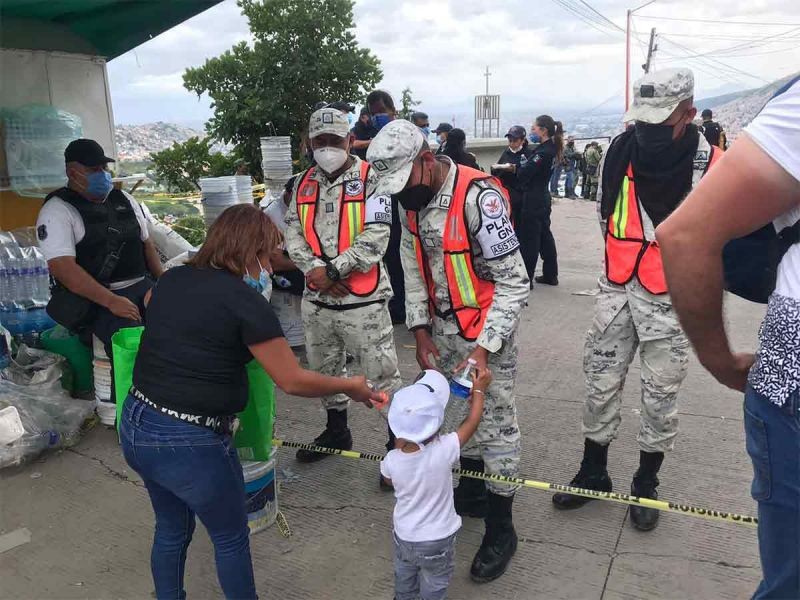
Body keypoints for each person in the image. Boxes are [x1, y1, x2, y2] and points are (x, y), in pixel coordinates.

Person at [120, 204, 384, 600]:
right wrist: (349, 385)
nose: (272, 266)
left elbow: (153, 304)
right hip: (191, 442)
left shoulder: (173, 279)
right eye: (269, 254)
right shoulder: (245, 303)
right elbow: (291, 379)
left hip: (137, 423)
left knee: (172, 528)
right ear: (250, 251)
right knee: (230, 538)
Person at [550, 68, 722, 532]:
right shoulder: (617, 151)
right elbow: (605, 215)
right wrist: (618, 268)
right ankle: (593, 472)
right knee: (599, 384)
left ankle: (646, 484)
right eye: (641, 121)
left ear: (688, 113)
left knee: (659, 395)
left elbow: (720, 241)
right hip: (615, 290)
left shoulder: (711, 165)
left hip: (669, 299)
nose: (647, 131)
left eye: (658, 122)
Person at [656, 76, 800, 599]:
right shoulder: (622, 151)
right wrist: (718, 361)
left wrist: (719, 362)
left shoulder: (707, 148)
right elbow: (684, 234)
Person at [368, 120, 530, 583]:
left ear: (426, 160)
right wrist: (419, 331)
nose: (402, 196)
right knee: (457, 415)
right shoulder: (409, 203)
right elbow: (412, 269)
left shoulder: (481, 198)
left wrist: (484, 349)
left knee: (495, 424)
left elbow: (515, 280)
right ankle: (475, 492)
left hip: (487, 332)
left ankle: (502, 527)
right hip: (442, 329)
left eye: (405, 183)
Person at [284, 107, 402, 474]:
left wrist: (334, 271)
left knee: (381, 374)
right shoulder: (301, 183)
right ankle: (337, 432)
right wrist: (314, 271)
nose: (327, 148)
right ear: (309, 144)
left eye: (335, 141)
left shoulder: (374, 180)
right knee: (324, 371)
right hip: (318, 301)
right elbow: (292, 232)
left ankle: (397, 446)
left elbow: (378, 236)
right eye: (320, 142)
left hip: (363, 302)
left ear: (350, 140)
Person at [37, 139, 163, 383]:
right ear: (73, 173)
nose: (102, 175)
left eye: (104, 169)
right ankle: (130, 409)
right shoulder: (58, 210)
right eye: (94, 170)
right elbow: (63, 268)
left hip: (141, 287)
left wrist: (163, 282)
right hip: (99, 298)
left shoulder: (124, 199)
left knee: (179, 329)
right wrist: (111, 301)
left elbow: (146, 244)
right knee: (136, 354)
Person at [381, 368, 490, 600]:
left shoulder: (392, 461)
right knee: (435, 580)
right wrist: (479, 390)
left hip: (405, 536)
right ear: (437, 424)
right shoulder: (445, 449)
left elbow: (388, 480)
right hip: (438, 539)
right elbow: (473, 421)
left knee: (405, 575)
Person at [367, 89, 406, 324]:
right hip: (383, 205)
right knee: (390, 257)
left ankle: (406, 305)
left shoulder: (403, 134)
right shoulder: (372, 137)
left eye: (381, 112)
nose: (377, 117)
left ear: (392, 110)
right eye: (373, 113)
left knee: (404, 259)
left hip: (404, 204)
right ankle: (397, 303)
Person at [511, 115, 561, 286]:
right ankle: (550, 273)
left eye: (534, 129)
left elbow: (526, 172)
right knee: (545, 236)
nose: (532, 131)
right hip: (543, 197)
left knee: (530, 239)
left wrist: (516, 169)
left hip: (533, 198)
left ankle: (527, 277)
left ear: (543, 130)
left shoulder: (543, 152)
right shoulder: (552, 148)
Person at [491, 125, 533, 225]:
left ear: (522, 141)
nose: (512, 143)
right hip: (506, 192)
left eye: (515, 140)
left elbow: (529, 174)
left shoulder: (528, 154)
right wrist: (498, 168)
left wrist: (515, 169)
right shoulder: (507, 152)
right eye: (510, 140)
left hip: (520, 194)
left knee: (519, 222)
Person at [549, 124, 565, 197]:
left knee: (554, 176)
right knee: (555, 176)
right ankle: (554, 191)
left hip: (556, 159)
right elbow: (559, 151)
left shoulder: (553, 138)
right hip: (557, 160)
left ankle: (553, 191)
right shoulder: (558, 138)